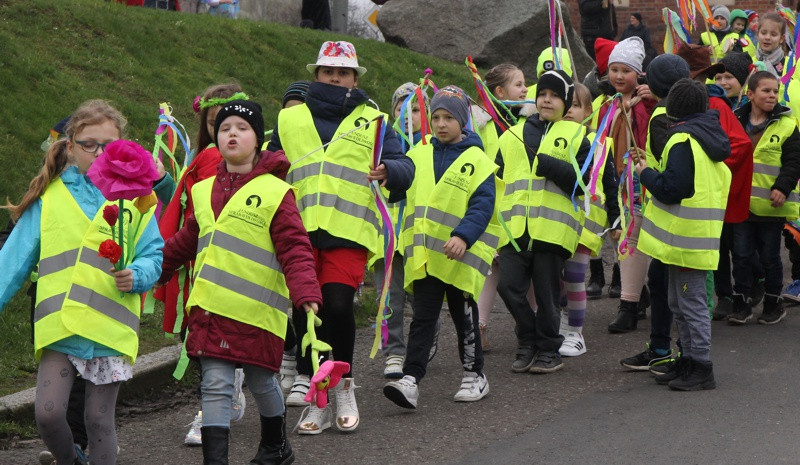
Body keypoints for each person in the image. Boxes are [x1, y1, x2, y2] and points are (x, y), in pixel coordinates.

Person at [0, 99, 164, 465]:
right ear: (70, 147)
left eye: (108, 144)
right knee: (48, 413)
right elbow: (11, 263)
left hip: (110, 327)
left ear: (123, 147)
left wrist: (137, 275)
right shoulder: (49, 199)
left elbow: (154, 254)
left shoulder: (138, 200)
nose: (99, 152)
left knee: (98, 420)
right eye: (89, 143)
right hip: (60, 325)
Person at [158, 99, 321, 464]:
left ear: (258, 140)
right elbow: (187, 239)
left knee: (263, 382)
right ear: (216, 138)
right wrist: (157, 269)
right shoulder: (202, 190)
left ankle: (276, 446)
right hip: (210, 310)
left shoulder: (277, 193)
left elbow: (295, 248)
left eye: (243, 128)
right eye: (225, 127)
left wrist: (306, 292)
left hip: (257, 313)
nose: (233, 133)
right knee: (214, 385)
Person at [267, 40, 414, 434]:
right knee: (307, 315)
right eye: (328, 71)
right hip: (297, 232)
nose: (335, 78)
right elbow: (269, 167)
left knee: (336, 305)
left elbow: (404, 165)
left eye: (343, 72)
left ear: (354, 78)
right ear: (316, 75)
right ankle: (317, 398)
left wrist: (388, 170)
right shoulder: (289, 120)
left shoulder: (374, 120)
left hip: (349, 231)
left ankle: (344, 388)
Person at [383, 85, 496, 408]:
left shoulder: (478, 161)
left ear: (463, 121)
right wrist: (387, 175)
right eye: (436, 117)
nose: (441, 124)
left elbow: (482, 205)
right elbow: (402, 184)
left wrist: (463, 236)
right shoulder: (417, 154)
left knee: (464, 318)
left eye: (449, 117)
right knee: (423, 319)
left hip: (460, 256)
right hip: (426, 258)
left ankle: (475, 375)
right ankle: (411, 378)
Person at [154, 83, 252, 446]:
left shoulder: (232, 161)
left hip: (224, 256)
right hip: (196, 253)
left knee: (211, 334)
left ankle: (219, 404)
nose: (223, 131)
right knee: (197, 335)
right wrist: (163, 179)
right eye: (215, 123)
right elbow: (182, 204)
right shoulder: (201, 155)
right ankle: (227, 395)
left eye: (232, 123)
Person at [635, 78, 731, 391]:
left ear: (672, 109)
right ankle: (688, 358)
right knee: (680, 303)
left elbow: (672, 189)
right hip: (691, 239)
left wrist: (645, 173)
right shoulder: (707, 136)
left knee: (690, 305)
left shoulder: (682, 140)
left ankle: (701, 366)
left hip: (686, 239)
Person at [495, 70, 591, 373]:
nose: (546, 100)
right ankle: (528, 338)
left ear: (564, 102)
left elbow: (583, 184)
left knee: (549, 295)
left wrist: (550, 165)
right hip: (513, 229)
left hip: (552, 231)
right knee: (508, 287)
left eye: (554, 96)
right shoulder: (512, 134)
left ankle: (548, 349)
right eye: (542, 95)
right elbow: (497, 180)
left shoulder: (577, 135)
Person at [619, 53, 691, 371]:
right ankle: (668, 347)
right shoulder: (682, 110)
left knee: (667, 286)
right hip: (675, 213)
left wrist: (644, 169)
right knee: (667, 283)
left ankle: (671, 349)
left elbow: (668, 168)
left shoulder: (663, 116)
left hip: (669, 212)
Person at [729, 71, 800, 325]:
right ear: (750, 94)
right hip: (740, 205)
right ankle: (742, 303)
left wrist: (782, 187)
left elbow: (793, 163)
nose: (772, 96)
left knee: (770, 257)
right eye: (766, 91)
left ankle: (773, 303)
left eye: (775, 92)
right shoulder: (735, 121)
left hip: (771, 206)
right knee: (741, 255)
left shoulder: (787, 125)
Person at [598, 36, 656, 333]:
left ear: (639, 74)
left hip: (637, 180)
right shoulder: (608, 104)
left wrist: (640, 107)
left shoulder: (647, 102)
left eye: (626, 70)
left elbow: (649, 136)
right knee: (619, 237)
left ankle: (628, 305)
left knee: (632, 237)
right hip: (613, 180)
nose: (619, 76)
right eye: (614, 70)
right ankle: (639, 292)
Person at [559, 82, 620, 357]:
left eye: (576, 105)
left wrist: (616, 219)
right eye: (567, 104)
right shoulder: (549, 138)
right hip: (556, 220)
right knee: (556, 276)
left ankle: (575, 333)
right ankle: (560, 323)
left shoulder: (598, 143)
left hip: (586, 222)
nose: (570, 110)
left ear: (588, 111)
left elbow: (610, 183)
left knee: (574, 276)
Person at [472, 63, 529, 353]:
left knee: (526, 267)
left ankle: (532, 325)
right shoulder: (481, 126)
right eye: (519, 84)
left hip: (520, 207)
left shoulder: (525, 124)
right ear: (500, 92)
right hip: (489, 206)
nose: (525, 89)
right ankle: (479, 328)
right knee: (489, 268)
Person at [378, 81, 428, 378]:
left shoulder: (433, 148)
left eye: (416, 108)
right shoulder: (382, 146)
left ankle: (422, 343)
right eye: (400, 107)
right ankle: (393, 352)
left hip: (420, 235)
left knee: (422, 298)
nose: (407, 115)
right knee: (389, 297)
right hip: (387, 233)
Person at [755, 12, 787, 78]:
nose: (767, 37)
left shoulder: (788, 65)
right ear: (757, 34)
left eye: (773, 34)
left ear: (781, 38)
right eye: (763, 33)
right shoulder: (750, 61)